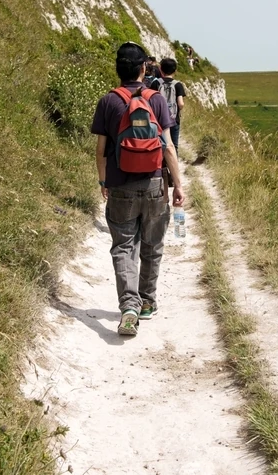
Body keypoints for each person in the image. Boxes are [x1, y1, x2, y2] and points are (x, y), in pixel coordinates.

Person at [91, 43, 185, 336]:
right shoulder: (156, 99)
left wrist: (104, 180)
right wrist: (178, 184)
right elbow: (168, 147)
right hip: (155, 183)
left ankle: (129, 306)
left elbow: (100, 149)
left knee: (123, 247)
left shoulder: (108, 101)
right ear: (145, 69)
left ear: (118, 70)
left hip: (121, 186)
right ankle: (147, 302)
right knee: (152, 245)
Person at [154, 58, 186, 151]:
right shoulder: (178, 85)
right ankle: (173, 163)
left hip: (158, 119)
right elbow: (180, 103)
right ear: (175, 70)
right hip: (174, 119)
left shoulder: (156, 83)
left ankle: (161, 163)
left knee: (159, 143)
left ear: (160, 69)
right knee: (174, 145)